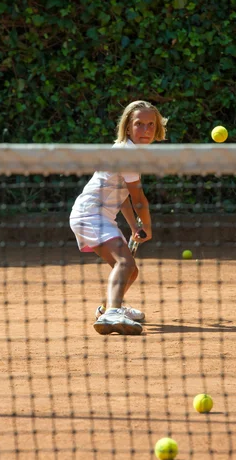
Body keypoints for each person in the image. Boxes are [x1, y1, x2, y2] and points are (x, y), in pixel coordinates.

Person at [70, 100, 168, 335]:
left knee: (130, 269)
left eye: (150, 124)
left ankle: (107, 307)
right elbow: (138, 198)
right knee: (124, 263)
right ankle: (113, 313)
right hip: (90, 214)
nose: (145, 130)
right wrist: (148, 226)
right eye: (139, 124)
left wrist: (134, 225)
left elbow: (122, 194)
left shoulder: (129, 151)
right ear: (127, 127)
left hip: (96, 216)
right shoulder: (127, 154)